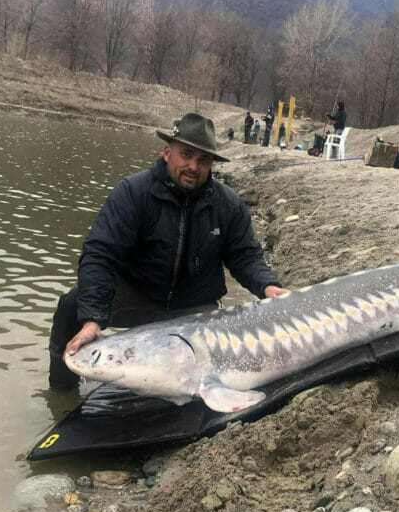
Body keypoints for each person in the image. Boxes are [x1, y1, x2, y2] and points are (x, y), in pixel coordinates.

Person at [48, 113, 288, 390]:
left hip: (194, 304)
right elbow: (99, 254)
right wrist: (92, 318)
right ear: (167, 152)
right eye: (186, 154)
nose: (193, 166)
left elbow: (245, 256)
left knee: (213, 370)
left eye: (203, 160)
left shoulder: (229, 205)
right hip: (138, 294)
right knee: (71, 307)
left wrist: (267, 285)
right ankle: (62, 393)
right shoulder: (133, 192)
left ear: (211, 164)